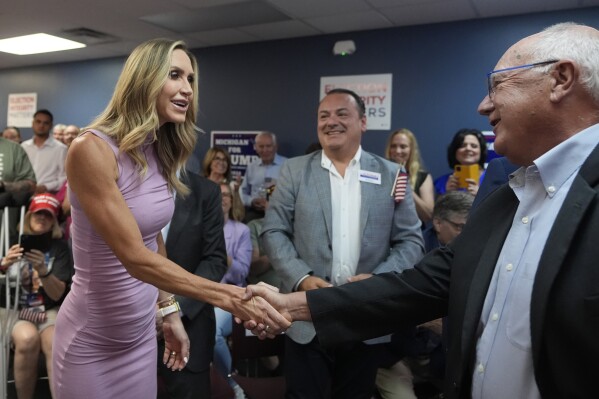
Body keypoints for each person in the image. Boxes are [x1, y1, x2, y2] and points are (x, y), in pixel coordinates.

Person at [245, 22, 599, 399]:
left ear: (561, 79)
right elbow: (431, 283)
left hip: (366, 338)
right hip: (316, 328)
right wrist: (296, 298)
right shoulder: (506, 188)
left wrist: (370, 279)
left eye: (498, 84)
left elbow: (410, 244)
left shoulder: (392, 174)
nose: (483, 105)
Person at [51, 38, 289, 398]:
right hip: (92, 340)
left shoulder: (156, 151)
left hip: (140, 336)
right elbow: (134, 256)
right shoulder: (92, 149)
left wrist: (169, 311)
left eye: (191, 79)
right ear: (144, 80)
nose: (187, 89)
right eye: (174, 75)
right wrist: (230, 296)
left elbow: (152, 239)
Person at [261, 88, 424, 398]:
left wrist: (378, 281)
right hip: (305, 317)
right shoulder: (295, 171)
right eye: (324, 116)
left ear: (363, 122)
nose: (331, 121)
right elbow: (273, 231)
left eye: (341, 114)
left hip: (364, 319)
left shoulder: (393, 175)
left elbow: (411, 240)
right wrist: (302, 277)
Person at [157, 172, 227, 399]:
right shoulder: (122, 184)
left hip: (189, 328)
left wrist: (172, 309)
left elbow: (214, 262)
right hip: (127, 328)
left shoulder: (205, 191)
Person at [0, 193, 72, 399]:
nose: (42, 218)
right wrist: (4, 266)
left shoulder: (59, 249)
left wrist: (42, 270)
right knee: (27, 338)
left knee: (55, 341)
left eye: (48, 215)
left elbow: (58, 294)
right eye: (38, 213)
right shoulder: (10, 242)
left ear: (54, 222)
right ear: (28, 216)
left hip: (46, 310)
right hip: (14, 311)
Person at [213, 182, 253, 399]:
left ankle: (231, 382)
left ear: (232, 199)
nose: (223, 198)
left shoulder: (242, 231)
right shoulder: (201, 229)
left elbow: (241, 274)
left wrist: (223, 254)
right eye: (218, 195)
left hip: (232, 296)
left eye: (227, 194)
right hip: (201, 294)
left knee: (212, 331)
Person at [385, 128, 435, 224]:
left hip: (411, 233)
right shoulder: (381, 174)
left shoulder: (422, 177)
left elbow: (428, 215)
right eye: (393, 146)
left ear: (411, 150)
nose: (398, 151)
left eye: (403, 146)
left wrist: (404, 184)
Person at [239, 131, 287, 221]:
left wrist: (272, 203)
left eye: (268, 146)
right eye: (261, 146)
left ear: (276, 147)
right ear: (256, 148)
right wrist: (252, 201)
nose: (265, 150)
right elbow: (243, 192)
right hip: (254, 213)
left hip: (278, 213)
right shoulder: (251, 167)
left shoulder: (287, 165)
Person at [21, 109, 68, 194]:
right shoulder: (23, 147)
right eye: (38, 122)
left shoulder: (61, 149)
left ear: (51, 126)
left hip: (49, 195)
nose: (41, 125)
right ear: (32, 123)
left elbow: (64, 178)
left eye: (45, 123)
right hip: (23, 194)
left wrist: (46, 187)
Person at [433, 128, 487, 196]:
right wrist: (447, 195)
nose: (468, 148)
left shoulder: (492, 179)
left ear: (481, 151)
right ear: (455, 151)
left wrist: (481, 196)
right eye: (462, 145)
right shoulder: (441, 182)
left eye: (474, 146)